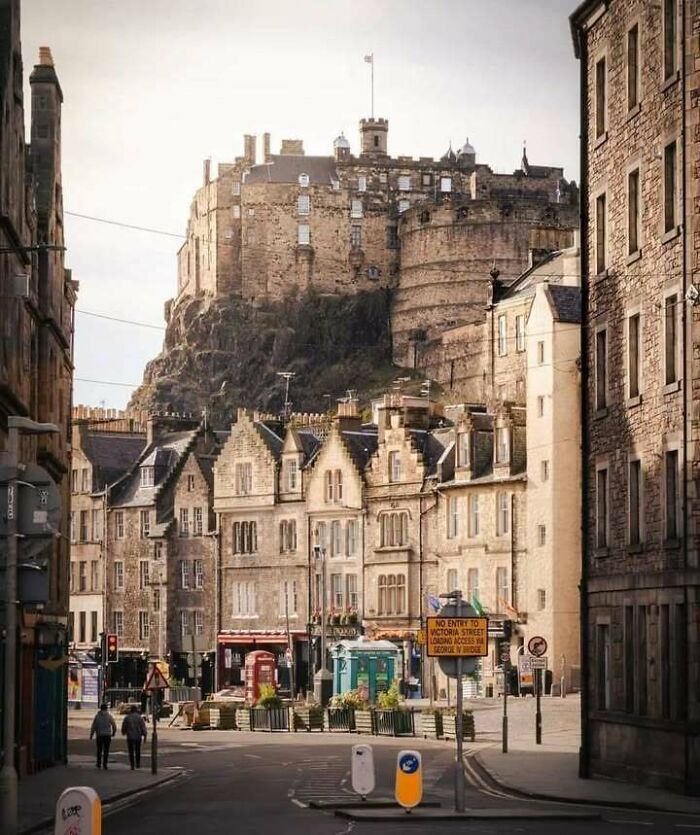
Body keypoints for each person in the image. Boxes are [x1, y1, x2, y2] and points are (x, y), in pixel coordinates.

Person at [90, 703, 116, 769]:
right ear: (106, 709)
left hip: (99, 735)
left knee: (99, 750)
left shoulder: (97, 716)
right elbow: (114, 725)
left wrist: (91, 734)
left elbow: (94, 726)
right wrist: (113, 733)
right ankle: (105, 764)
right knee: (106, 750)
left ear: (100, 708)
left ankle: (98, 763)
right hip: (107, 735)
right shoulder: (109, 716)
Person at [121, 704, 148, 769]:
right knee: (137, 751)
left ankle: (132, 765)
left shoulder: (127, 717)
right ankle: (138, 764)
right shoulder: (139, 718)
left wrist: (124, 732)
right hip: (138, 736)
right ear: (136, 710)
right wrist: (145, 736)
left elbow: (124, 726)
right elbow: (143, 727)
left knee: (131, 751)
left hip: (130, 736)